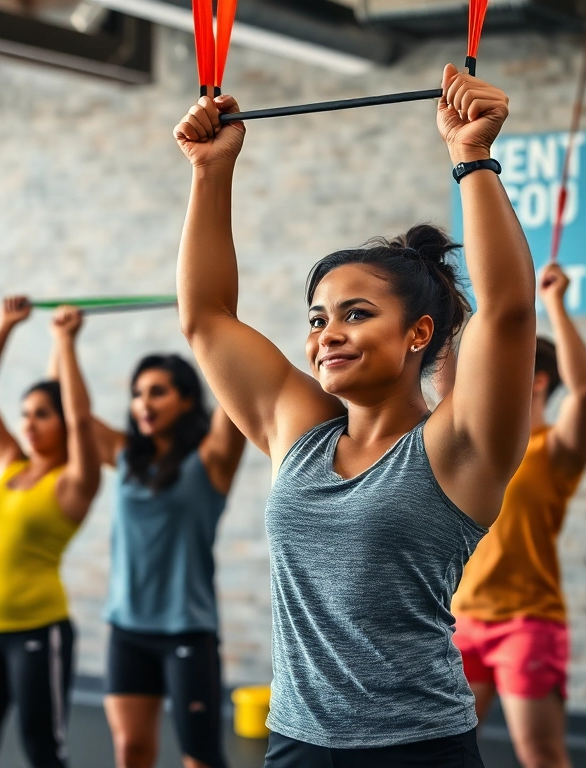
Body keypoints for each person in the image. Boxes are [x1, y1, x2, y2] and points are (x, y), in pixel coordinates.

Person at [173, 65, 533, 765]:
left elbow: (511, 313)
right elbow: (207, 319)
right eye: (317, 318)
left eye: (356, 315)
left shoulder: (457, 447)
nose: (326, 334)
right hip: (296, 742)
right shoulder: (299, 431)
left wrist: (472, 158)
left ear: (418, 335)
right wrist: (210, 171)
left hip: (416, 749)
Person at [447, 263, 586, 768]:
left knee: (540, 754)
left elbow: (585, 393)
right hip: (461, 617)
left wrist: (553, 304)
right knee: (449, 751)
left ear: (535, 381)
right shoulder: (480, 444)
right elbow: (451, 376)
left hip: (528, 621)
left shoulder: (557, 448)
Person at [0, 299, 100, 768]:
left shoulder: (74, 484)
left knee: (43, 750)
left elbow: (81, 420)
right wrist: (5, 326)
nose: (29, 424)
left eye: (42, 414)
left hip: (38, 632)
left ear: (63, 424)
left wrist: (65, 343)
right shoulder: (8, 462)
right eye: (25, 414)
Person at [87, 353, 246, 768]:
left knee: (200, 758)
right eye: (137, 393)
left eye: (158, 392)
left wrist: (210, 326)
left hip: (187, 631)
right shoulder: (124, 457)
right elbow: (75, 417)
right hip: (127, 630)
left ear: (188, 399)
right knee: (130, 751)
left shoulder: (212, 459)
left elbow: (237, 392)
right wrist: (63, 340)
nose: (144, 402)